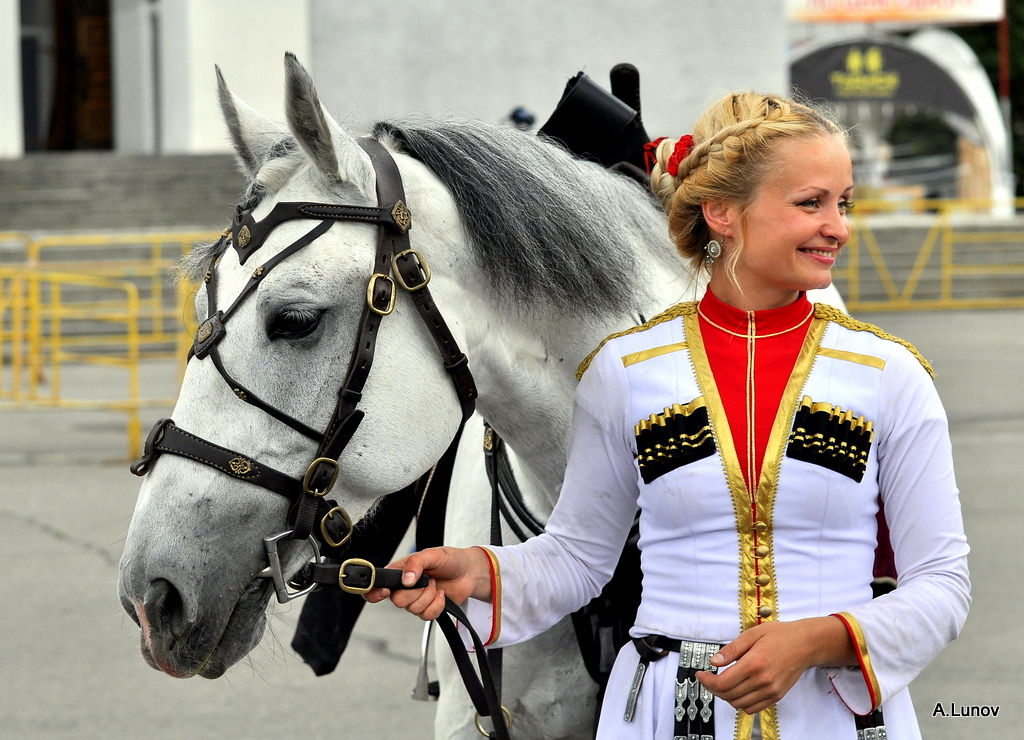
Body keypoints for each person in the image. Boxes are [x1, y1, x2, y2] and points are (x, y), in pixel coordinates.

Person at [365, 92, 971, 739]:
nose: (839, 227)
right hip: (666, 715)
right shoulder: (624, 372)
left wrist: (818, 639)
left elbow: (942, 584)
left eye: (842, 203)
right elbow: (576, 559)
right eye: (811, 203)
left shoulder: (890, 375)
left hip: (833, 716)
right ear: (722, 212)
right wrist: (482, 571)